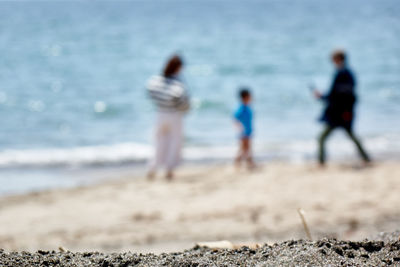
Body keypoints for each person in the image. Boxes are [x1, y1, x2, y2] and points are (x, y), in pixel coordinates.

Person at [313, 50, 371, 166]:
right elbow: (343, 95)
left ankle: (321, 161)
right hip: (343, 112)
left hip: (339, 113)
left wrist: (322, 96)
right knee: (350, 135)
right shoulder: (348, 74)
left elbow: (337, 95)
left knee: (322, 137)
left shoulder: (342, 74)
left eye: (333, 59)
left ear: (338, 59)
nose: (332, 61)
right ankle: (366, 158)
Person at [146, 55, 190, 180]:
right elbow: (184, 101)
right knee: (174, 142)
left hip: (160, 113)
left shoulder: (157, 80)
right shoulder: (178, 83)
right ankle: (169, 170)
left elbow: (150, 91)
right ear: (178, 67)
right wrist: (183, 109)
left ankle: (152, 167)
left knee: (159, 141)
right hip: (174, 114)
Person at [234, 88, 255, 169]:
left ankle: (249, 163)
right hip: (243, 133)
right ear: (245, 97)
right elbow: (235, 119)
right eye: (249, 96)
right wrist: (240, 128)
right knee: (244, 149)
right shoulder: (241, 109)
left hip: (248, 131)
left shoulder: (248, 108)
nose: (251, 98)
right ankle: (238, 162)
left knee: (246, 149)